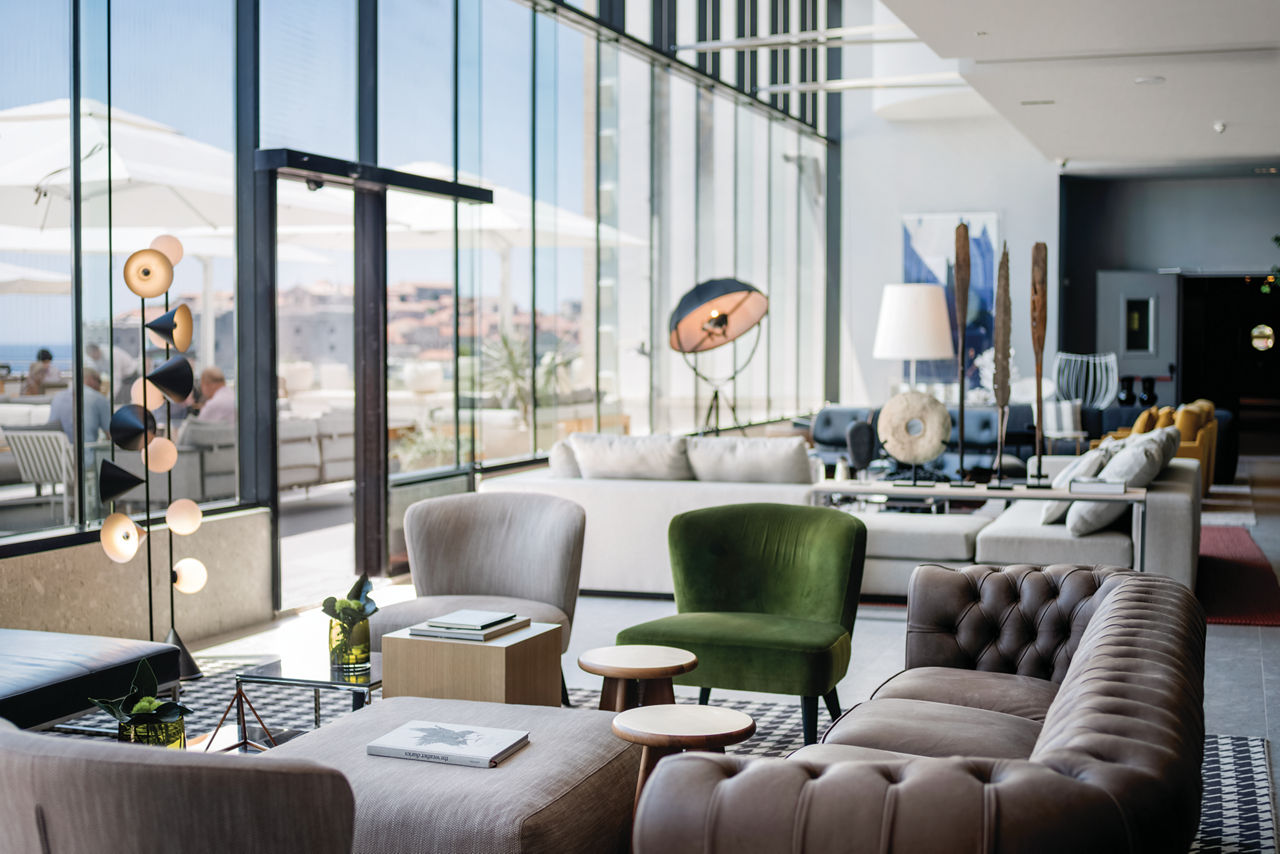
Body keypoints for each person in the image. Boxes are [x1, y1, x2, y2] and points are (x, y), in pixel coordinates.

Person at [48, 368, 112, 444]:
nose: (100, 387)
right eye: (99, 382)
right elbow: (111, 433)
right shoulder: (98, 398)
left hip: (58, 450)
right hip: (86, 450)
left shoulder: (57, 397)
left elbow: (51, 428)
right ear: (92, 379)